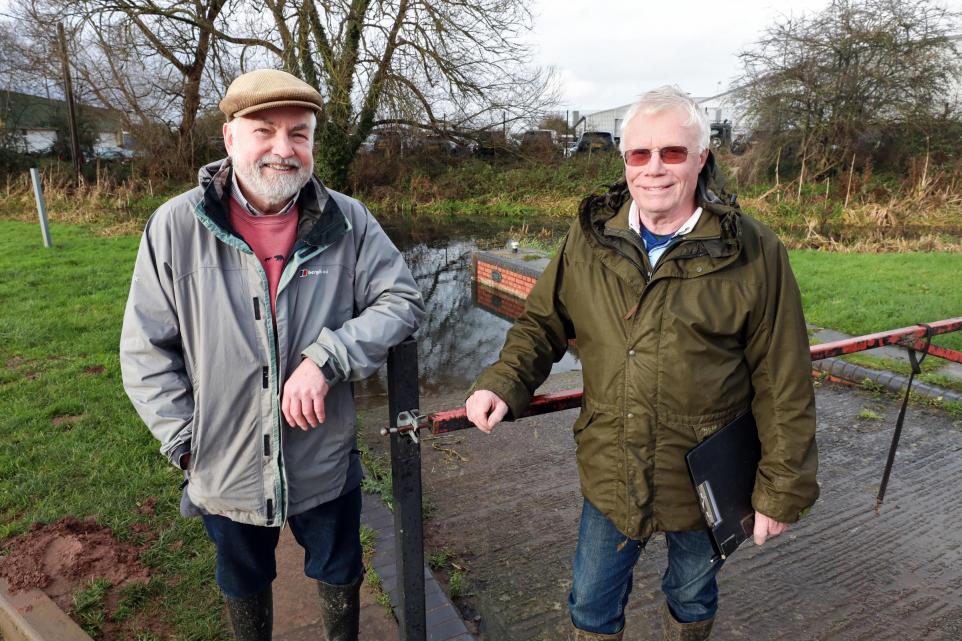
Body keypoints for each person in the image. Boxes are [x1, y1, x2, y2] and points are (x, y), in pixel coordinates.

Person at [465, 86, 818, 641]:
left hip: (705, 475)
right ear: (624, 160)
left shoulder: (754, 251)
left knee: (692, 592)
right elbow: (542, 323)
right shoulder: (589, 240)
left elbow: (784, 379)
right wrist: (504, 383)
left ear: (702, 158)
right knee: (590, 604)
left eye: (672, 152)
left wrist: (780, 489)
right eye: (639, 154)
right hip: (612, 465)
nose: (654, 168)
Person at [120, 69, 425, 641]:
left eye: (300, 134)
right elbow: (144, 351)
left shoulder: (348, 221)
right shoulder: (174, 227)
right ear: (230, 137)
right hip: (223, 463)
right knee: (243, 575)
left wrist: (327, 357)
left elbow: (402, 299)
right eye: (265, 131)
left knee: (339, 567)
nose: (284, 149)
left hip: (324, 458)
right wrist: (186, 443)